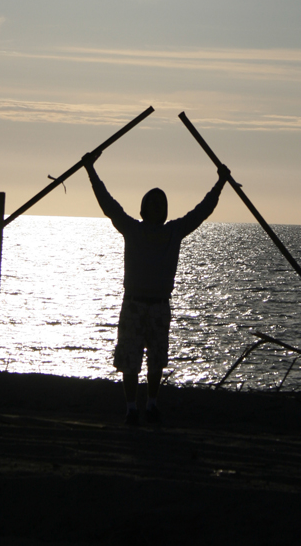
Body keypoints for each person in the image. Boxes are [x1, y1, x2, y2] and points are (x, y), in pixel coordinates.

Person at [82, 150, 231, 425]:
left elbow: (202, 211)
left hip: (160, 305)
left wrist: (221, 183)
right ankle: (130, 408)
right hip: (134, 304)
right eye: (154, 203)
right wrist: (90, 170)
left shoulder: (174, 231)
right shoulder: (132, 229)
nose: (159, 208)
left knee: (156, 360)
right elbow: (108, 204)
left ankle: (151, 404)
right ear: (145, 207)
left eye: (162, 204)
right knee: (130, 360)